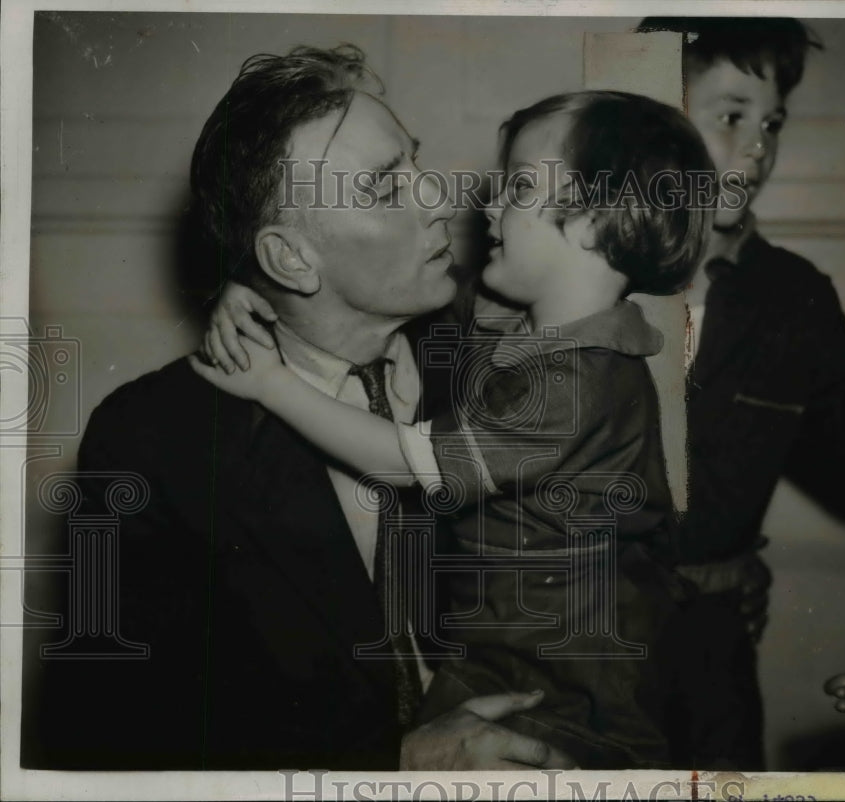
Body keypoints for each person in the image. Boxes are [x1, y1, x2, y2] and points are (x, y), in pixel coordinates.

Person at [23, 45, 577, 771]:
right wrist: (396, 765)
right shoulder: (153, 442)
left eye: (417, 163)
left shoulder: (495, 355)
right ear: (289, 259)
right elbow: (110, 744)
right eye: (385, 189)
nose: (439, 199)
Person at [192, 90, 716, 769]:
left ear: (595, 219)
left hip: (568, 684)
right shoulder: (505, 317)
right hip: (504, 651)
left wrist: (272, 384)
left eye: (520, 186)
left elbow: (409, 463)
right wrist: (261, 289)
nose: (481, 205)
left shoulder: (578, 380)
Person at [635, 17, 845, 768]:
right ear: (650, 120)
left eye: (773, 122)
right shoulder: (571, 277)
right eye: (730, 116)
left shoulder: (792, 298)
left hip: (712, 654)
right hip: (577, 645)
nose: (758, 146)